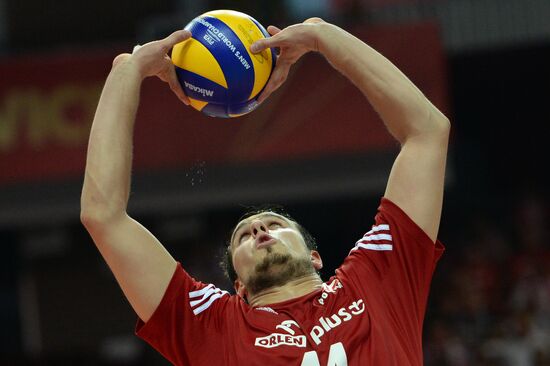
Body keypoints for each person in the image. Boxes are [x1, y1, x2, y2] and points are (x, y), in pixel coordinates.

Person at [81, 17, 450, 366]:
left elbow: (427, 132)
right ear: (237, 285)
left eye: (275, 224)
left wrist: (323, 36)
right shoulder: (213, 326)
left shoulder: (376, 279)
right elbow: (103, 215)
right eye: (243, 236)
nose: (259, 230)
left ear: (316, 256)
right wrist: (125, 71)